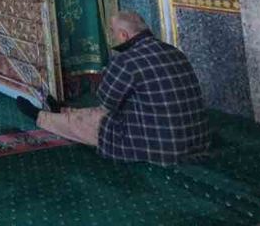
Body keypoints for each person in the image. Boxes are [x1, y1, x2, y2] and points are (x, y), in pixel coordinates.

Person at [16, 11, 210, 165]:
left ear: (124, 35)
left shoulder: (126, 60)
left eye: (113, 32)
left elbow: (106, 103)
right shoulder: (174, 51)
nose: (112, 36)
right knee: (109, 111)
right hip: (196, 138)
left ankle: (40, 117)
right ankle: (62, 110)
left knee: (98, 121)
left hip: (160, 145)